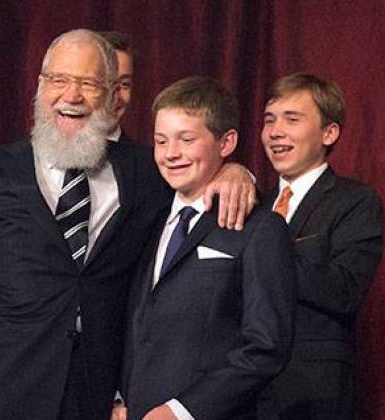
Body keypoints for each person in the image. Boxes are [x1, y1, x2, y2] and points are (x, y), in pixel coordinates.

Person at [0, 29, 255, 420]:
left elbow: (197, 175)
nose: (71, 95)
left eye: (88, 83)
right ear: (39, 86)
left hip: (94, 400)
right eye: (58, 80)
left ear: (114, 95)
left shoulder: (149, 172)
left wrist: (235, 170)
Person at [118, 77, 296, 420]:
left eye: (186, 140)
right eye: (160, 141)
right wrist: (118, 396)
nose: (171, 154)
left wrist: (182, 411)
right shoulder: (146, 221)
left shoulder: (260, 229)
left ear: (226, 141)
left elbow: (265, 347)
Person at [256, 73, 383, 419]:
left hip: (313, 395)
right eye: (269, 120)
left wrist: (266, 255)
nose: (275, 131)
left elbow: (343, 290)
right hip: (247, 392)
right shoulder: (252, 204)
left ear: (329, 133)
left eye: (292, 119)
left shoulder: (355, 201)